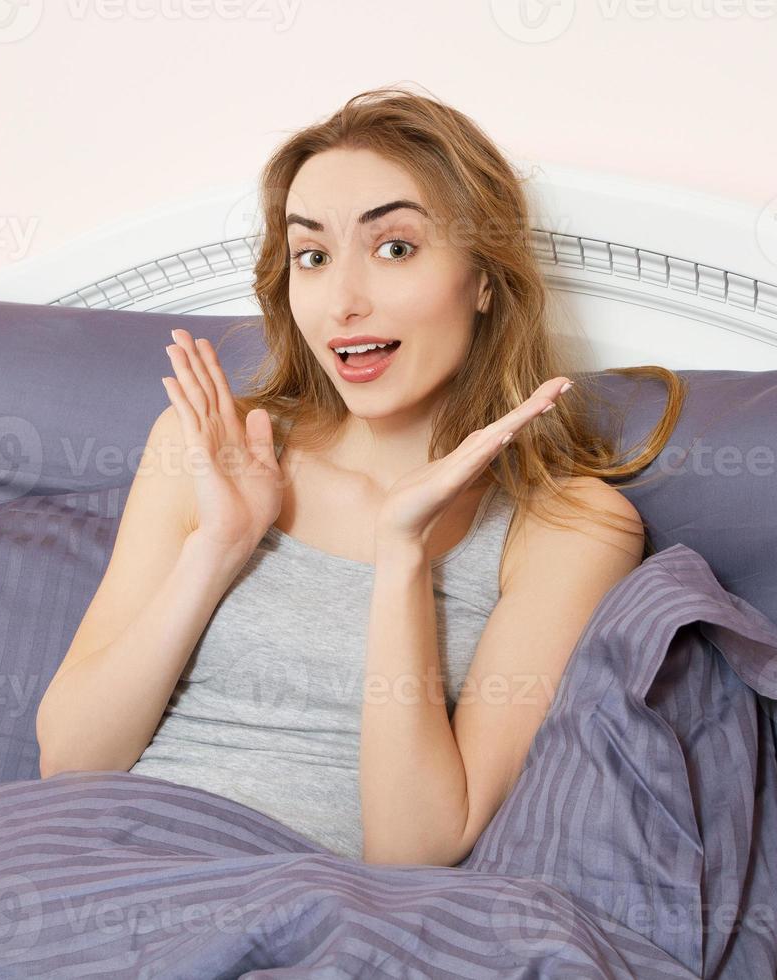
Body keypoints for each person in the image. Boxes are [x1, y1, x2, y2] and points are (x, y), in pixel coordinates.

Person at [35, 85, 686, 866]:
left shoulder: (568, 526)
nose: (343, 301)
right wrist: (220, 544)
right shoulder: (203, 444)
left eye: (395, 249)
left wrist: (402, 553)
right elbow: (68, 764)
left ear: (484, 278)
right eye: (312, 256)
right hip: (79, 870)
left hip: (304, 917)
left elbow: (415, 850)